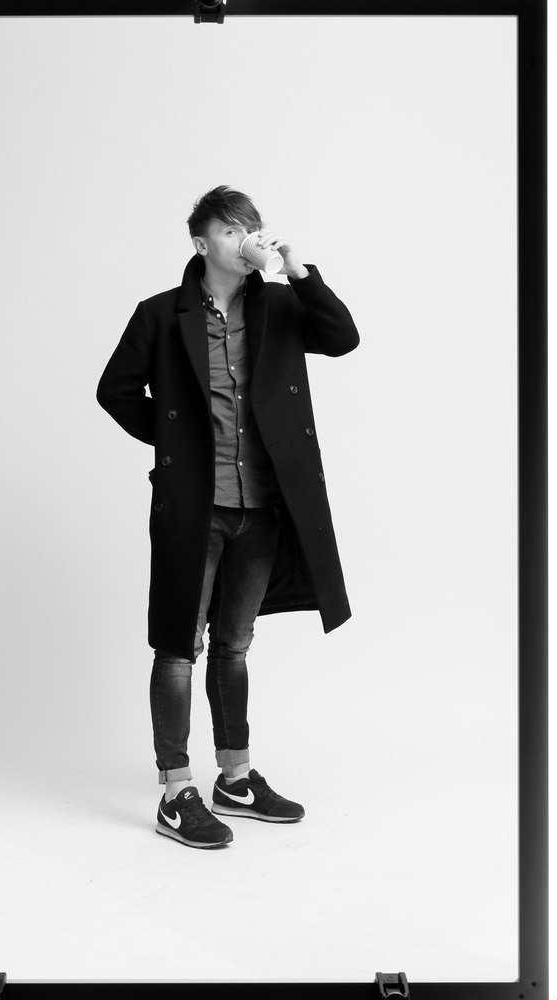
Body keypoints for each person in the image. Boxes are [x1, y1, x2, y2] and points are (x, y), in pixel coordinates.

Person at [96, 185, 359, 849]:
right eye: (233, 229)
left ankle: (235, 779)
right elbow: (114, 389)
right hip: (195, 509)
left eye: (253, 227)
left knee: (235, 645)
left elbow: (343, 338)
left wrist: (297, 269)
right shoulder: (161, 315)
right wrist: (174, 441)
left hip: (263, 507)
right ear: (202, 242)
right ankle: (176, 790)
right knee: (179, 646)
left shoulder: (281, 305)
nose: (247, 238)